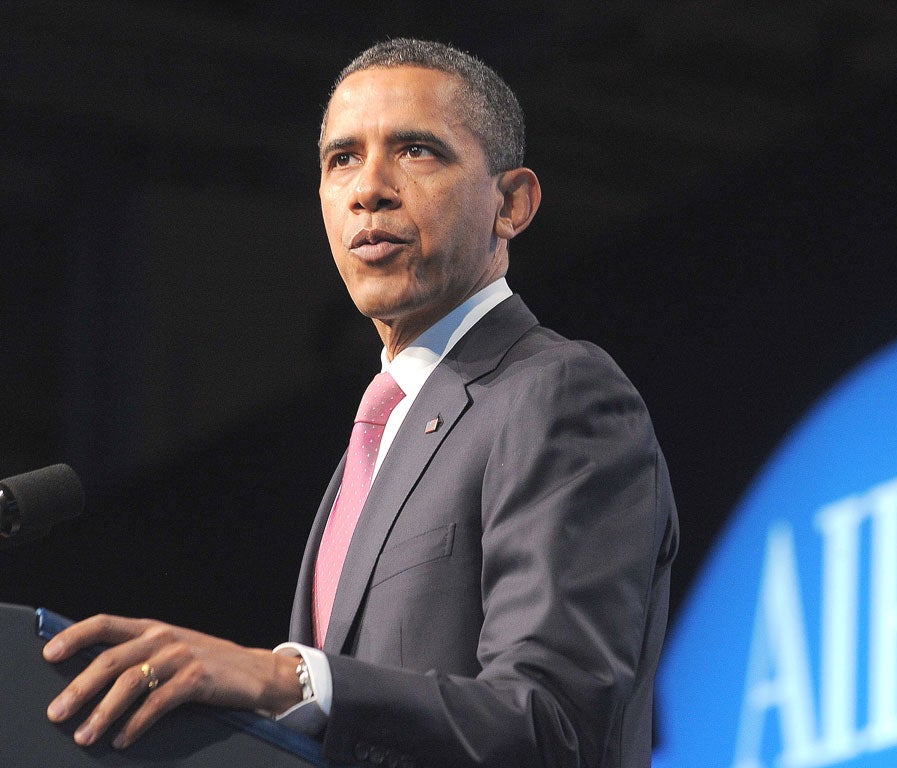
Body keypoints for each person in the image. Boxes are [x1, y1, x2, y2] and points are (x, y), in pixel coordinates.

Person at [43, 38, 679, 767]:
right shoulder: (376, 442)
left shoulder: (556, 394)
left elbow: (555, 722)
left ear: (511, 204)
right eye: (341, 158)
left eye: (416, 151)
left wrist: (286, 676)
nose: (367, 188)